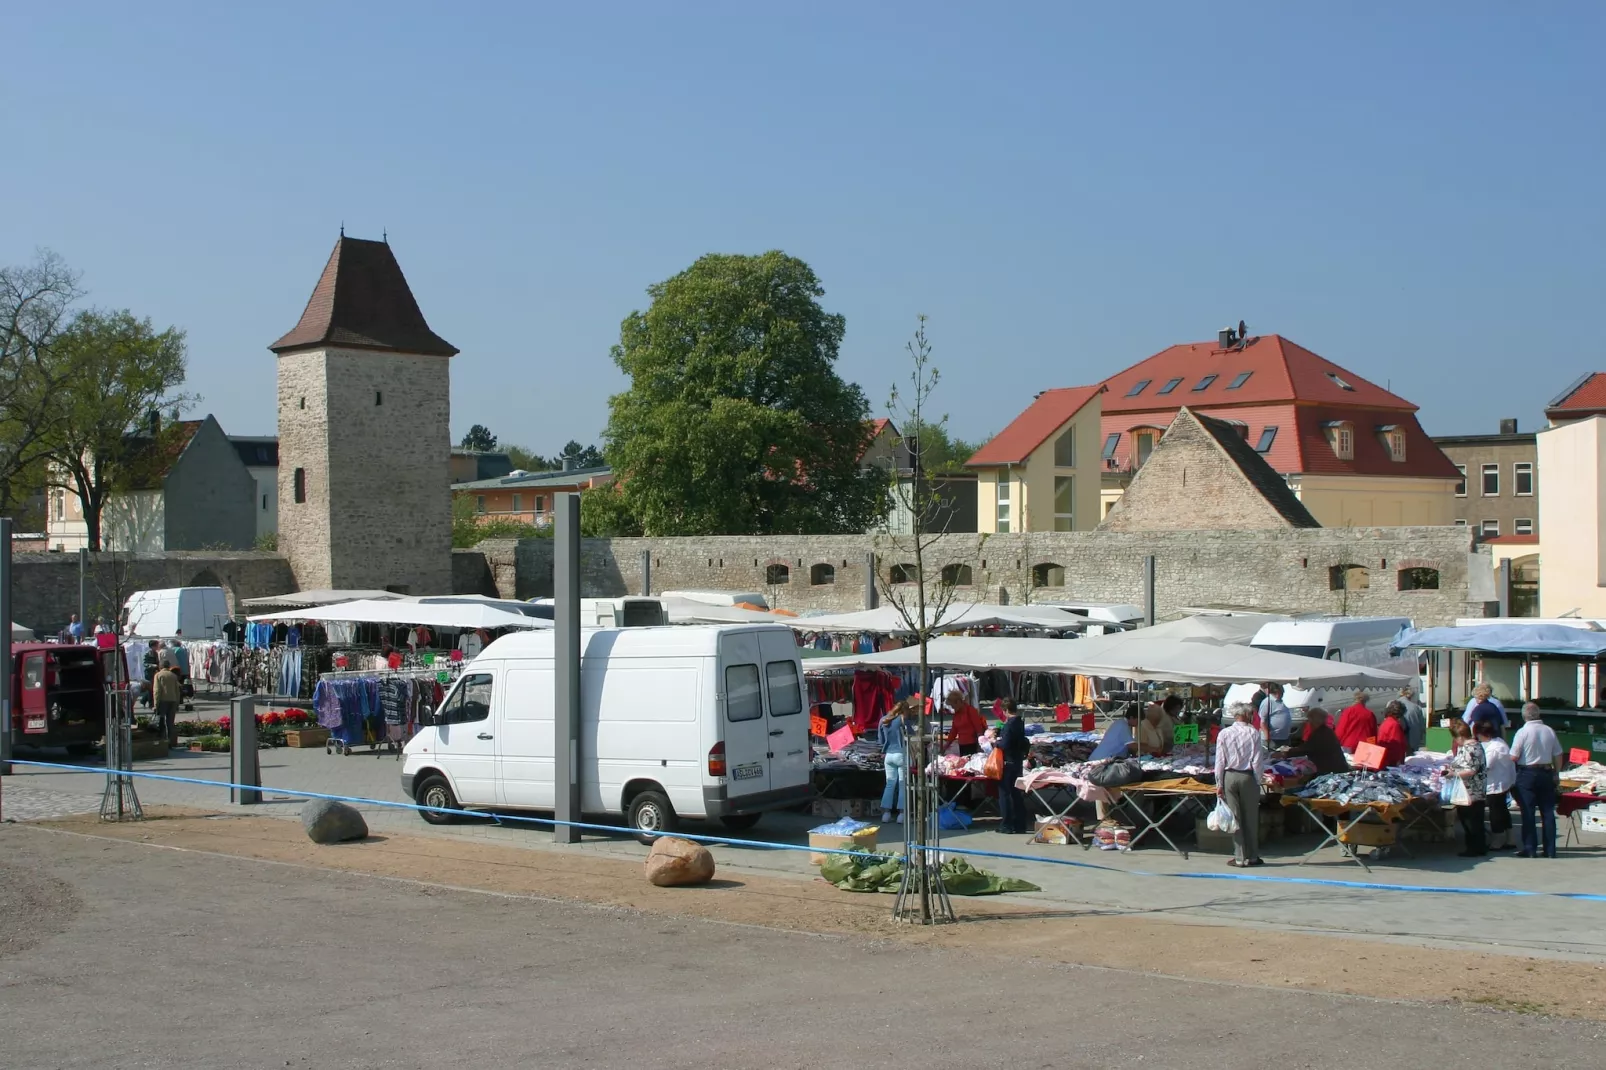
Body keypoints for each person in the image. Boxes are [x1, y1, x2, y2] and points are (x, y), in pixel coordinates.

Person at [1214, 702, 1267, 868]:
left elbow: (1220, 761)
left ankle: (1239, 856)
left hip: (1229, 775)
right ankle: (1252, 856)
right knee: (1250, 817)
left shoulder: (1224, 733)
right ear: (1248, 715)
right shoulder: (1253, 733)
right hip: (1247, 776)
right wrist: (1259, 780)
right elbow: (1258, 761)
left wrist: (1219, 782)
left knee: (1234, 817)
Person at [1508, 702, 1563, 858]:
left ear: (1524, 715)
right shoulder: (1549, 731)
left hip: (1527, 772)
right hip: (1546, 771)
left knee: (1528, 812)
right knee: (1548, 812)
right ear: (1538, 714)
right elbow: (1558, 753)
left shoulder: (1522, 732)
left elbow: (1514, 756)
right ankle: (1550, 849)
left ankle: (1530, 848)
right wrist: (1556, 773)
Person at [1446, 718, 1488, 858]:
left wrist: (1453, 774)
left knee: (1470, 821)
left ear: (1459, 736)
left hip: (1470, 790)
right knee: (1474, 821)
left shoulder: (1470, 749)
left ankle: (1474, 848)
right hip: (1474, 790)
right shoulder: (1475, 746)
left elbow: (1471, 770)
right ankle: (1478, 847)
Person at [1478, 720, 1516, 851]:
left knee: (1496, 813)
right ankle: (1510, 838)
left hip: (1495, 784)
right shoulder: (1500, 742)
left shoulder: (1494, 748)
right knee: (1503, 811)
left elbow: (1485, 766)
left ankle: (1497, 839)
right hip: (1504, 782)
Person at [1277, 707, 1347, 774]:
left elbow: (1306, 749)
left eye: (1309, 720)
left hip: (1330, 770)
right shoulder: (1326, 731)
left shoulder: (1320, 734)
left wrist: (1285, 753)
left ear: (1314, 720)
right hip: (1336, 766)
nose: (1309, 723)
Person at [996, 699, 1031, 835]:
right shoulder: (1020, 722)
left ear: (1005, 711)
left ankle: (1006, 824)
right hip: (1017, 761)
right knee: (1016, 793)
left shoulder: (1009, 724)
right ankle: (1020, 823)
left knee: (1004, 794)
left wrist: (995, 743)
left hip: (1008, 761)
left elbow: (1005, 744)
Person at [878, 699, 909, 824]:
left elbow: (880, 740)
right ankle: (901, 815)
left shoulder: (883, 720)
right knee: (902, 785)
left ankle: (886, 814)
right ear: (904, 710)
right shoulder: (902, 720)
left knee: (890, 784)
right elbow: (912, 735)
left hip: (888, 755)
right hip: (901, 754)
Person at [942, 691, 988, 756]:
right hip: (962, 744)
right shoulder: (956, 715)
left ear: (958, 702)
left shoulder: (971, 711)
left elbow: (979, 729)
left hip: (972, 744)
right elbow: (953, 732)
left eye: (953, 705)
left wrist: (979, 746)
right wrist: (946, 746)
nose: (952, 708)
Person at [151, 660, 182, 748]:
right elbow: (177, 691)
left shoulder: (158, 675)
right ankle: (171, 742)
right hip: (173, 700)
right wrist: (177, 703)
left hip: (163, 700)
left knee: (161, 721)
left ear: (160, 666)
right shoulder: (173, 676)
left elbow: (157, 691)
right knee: (170, 722)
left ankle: (162, 741)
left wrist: (156, 704)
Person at [1376, 701, 1409, 768]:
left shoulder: (1386, 722)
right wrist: (1398, 762)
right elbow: (1396, 746)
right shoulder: (1394, 725)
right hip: (1391, 761)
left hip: (1384, 758)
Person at [1397, 685, 1427, 753]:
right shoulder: (1416, 708)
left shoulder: (1391, 704)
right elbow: (1422, 727)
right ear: (1411, 695)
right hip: (1413, 742)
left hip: (1397, 741)